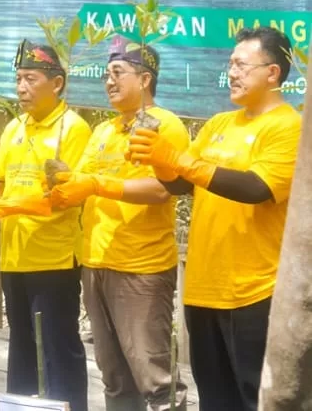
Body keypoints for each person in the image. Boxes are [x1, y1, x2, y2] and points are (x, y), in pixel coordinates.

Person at [128, 27, 302, 411]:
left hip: (256, 292)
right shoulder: (220, 123)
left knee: (257, 398)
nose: (232, 73)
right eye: (230, 65)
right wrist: (159, 160)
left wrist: (180, 161)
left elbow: (258, 187)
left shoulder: (290, 127)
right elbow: (179, 186)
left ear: (272, 73)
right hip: (204, 289)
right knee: (215, 399)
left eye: (241, 65)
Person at [50, 37, 189, 410]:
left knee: (156, 380)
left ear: (145, 79)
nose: (108, 81)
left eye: (117, 72)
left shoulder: (165, 125)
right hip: (96, 264)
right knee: (113, 378)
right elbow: (82, 183)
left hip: (140, 270)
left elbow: (162, 189)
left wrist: (97, 183)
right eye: (105, 74)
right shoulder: (104, 131)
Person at [0, 40, 92, 411]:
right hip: (13, 257)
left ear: (57, 83)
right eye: (18, 79)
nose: (21, 88)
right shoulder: (14, 128)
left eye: (31, 79)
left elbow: (68, 197)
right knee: (21, 345)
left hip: (53, 259)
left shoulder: (74, 128)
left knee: (57, 347)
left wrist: (2, 205)